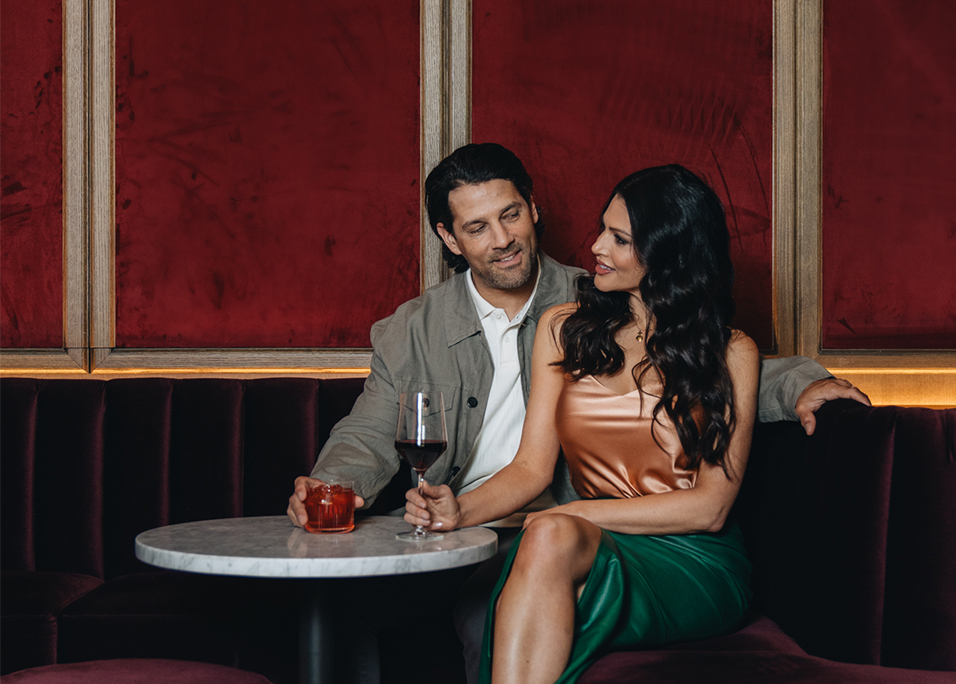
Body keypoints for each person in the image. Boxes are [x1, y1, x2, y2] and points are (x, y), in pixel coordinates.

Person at [286, 144, 869, 681]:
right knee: (350, 611)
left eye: (511, 215)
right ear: (449, 237)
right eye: (477, 227)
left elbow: (713, 368)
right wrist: (337, 488)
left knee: (501, 599)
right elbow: (369, 429)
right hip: (474, 528)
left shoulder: (586, 295)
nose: (502, 238)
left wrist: (802, 382)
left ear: (534, 209)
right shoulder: (427, 328)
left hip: (575, 531)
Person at [405, 164, 766, 683]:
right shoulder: (564, 329)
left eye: (618, 239)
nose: (595, 246)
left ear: (666, 254)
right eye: (603, 228)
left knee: (548, 533)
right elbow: (531, 468)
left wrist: (574, 517)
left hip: (693, 559)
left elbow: (710, 509)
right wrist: (457, 511)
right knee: (548, 539)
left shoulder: (732, 352)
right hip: (584, 543)